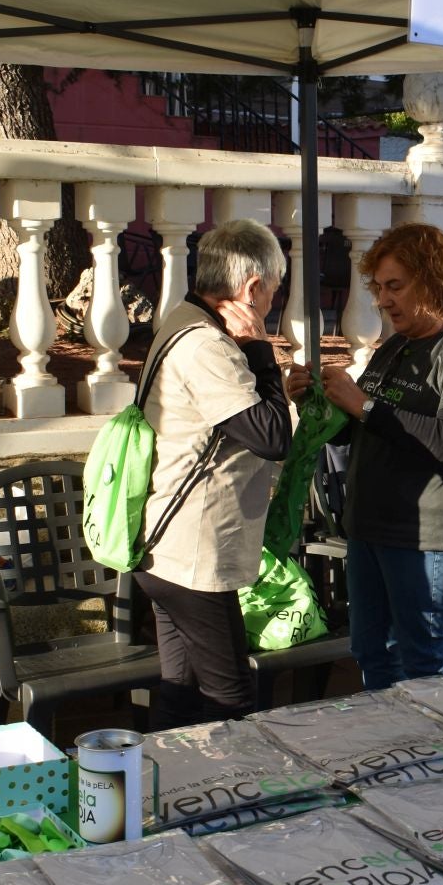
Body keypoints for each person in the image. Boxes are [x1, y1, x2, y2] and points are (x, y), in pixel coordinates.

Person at [289, 222, 443, 689]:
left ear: (432, 280)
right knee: (372, 652)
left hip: (421, 537)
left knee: (423, 660)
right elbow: (353, 436)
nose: (383, 300)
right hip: (368, 528)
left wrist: (363, 404)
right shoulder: (395, 347)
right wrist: (315, 400)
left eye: (395, 286)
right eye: (379, 288)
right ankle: (394, 750)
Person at [136, 219, 292, 729]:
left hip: (162, 544)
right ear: (252, 288)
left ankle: (162, 797)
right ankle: (230, 802)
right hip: (193, 552)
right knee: (232, 699)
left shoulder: (180, 319)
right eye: (272, 293)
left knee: (179, 693)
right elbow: (271, 438)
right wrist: (260, 349)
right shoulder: (207, 346)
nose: (271, 304)